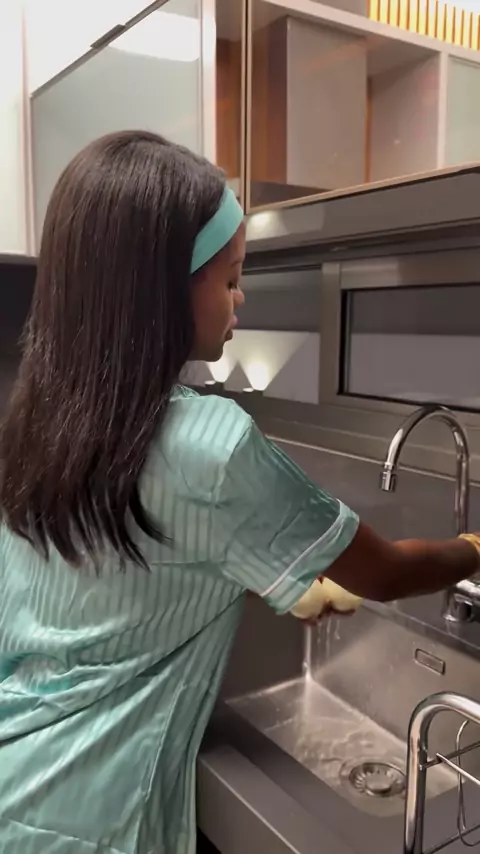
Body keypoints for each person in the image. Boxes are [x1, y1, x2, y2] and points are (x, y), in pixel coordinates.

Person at [0, 130, 479, 854]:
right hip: (92, 813)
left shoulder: (41, 421)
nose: (240, 297)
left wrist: (267, 577)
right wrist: (471, 547)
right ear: (162, 291)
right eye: (229, 279)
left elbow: (125, 568)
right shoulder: (212, 446)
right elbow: (385, 573)